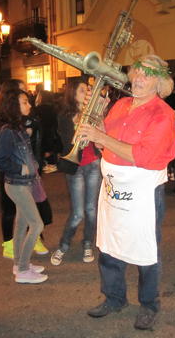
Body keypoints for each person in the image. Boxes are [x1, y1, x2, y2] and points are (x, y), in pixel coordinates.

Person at [79, 55, 175, 330]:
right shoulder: (121, 104)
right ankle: (114, 297)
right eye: (135, 74)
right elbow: (104, 144)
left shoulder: (162, 114)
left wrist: (102, 138)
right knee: (109, 244)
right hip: (113, 187)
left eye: (145, 76)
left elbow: (144, 155)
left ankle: (149, 304)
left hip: (144, 191)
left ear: (159, 83)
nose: (137, 80)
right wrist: (92, 125)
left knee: (145, 248)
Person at [0, 89, 48, 284]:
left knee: (22, 225)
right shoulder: (8, 131)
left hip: (23, 184)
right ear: (14, 106)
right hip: (17, 185)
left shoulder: (17, 129)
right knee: (37, 224)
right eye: (25, 102)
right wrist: (22, 168)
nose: (29, 105)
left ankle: (19, 264)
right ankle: (23, 270)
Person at [50, 77, 101, 266]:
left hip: (94, 164)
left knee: (91, 210)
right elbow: (67, 144)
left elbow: (102, 135)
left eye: (88, 90)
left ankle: (88, 243)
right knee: (78, 212)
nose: (87, 93)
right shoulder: (64, 115)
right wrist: (77, 124)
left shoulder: (94, 111)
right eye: (82, 90)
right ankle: (63, 245)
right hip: (76, 167)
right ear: (72, 93)